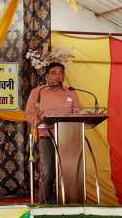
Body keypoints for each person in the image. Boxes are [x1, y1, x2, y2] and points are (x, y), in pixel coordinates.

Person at [25, 62, 81, 203]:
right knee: (48, 172)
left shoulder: (70, 92)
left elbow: (78, 112)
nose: (58, 75)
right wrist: (38, 121)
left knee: (68, 172)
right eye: (54, 72)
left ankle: (68, 201)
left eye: (60, 72)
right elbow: (29, 114)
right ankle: (45, 203)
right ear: (47, 75)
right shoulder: (38, 92)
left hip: (68, 136)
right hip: (46, 136)